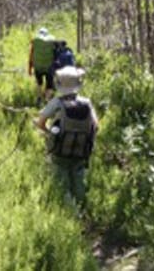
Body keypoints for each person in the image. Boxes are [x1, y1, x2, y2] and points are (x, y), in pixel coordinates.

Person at [34, 66, 99, 211]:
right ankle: (82, 211)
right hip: (81, 151)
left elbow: (40, 123)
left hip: (59, 150)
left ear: (59, 84)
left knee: (61, 182)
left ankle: (70, 214)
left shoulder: (57, 102)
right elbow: (96, 126)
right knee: (78, 179)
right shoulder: (87, 103)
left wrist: (49, 132)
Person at [28, 27, 56, 102]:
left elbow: (31, 55)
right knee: (49, 84)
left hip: (38, 66)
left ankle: (39, 99)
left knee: (39, 83)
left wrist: (30, 68)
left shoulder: (35, 41)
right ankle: (48, 100)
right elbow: (55, 54)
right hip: (49, 67)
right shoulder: (52, 40)